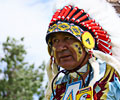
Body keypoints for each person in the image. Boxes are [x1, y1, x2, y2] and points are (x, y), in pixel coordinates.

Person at [45, 0, 120, 100]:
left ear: (87, 42)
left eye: (68, 38)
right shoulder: (58, 87)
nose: (59, 48)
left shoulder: (110, 78)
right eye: (55, 41)